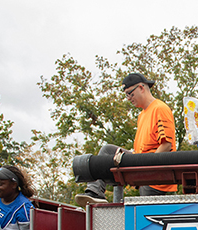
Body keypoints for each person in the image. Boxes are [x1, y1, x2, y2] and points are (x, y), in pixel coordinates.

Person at [75, 73, 178, 207]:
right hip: (140, 162)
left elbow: (166, 145)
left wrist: (147, 169)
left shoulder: (160, 108)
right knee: (107, 150)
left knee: (147, 216)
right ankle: (95, 191)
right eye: (126, 95)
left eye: (130, 93)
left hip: (155, 173)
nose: (128, 98)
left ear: (141, 88)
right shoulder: (142, 115)